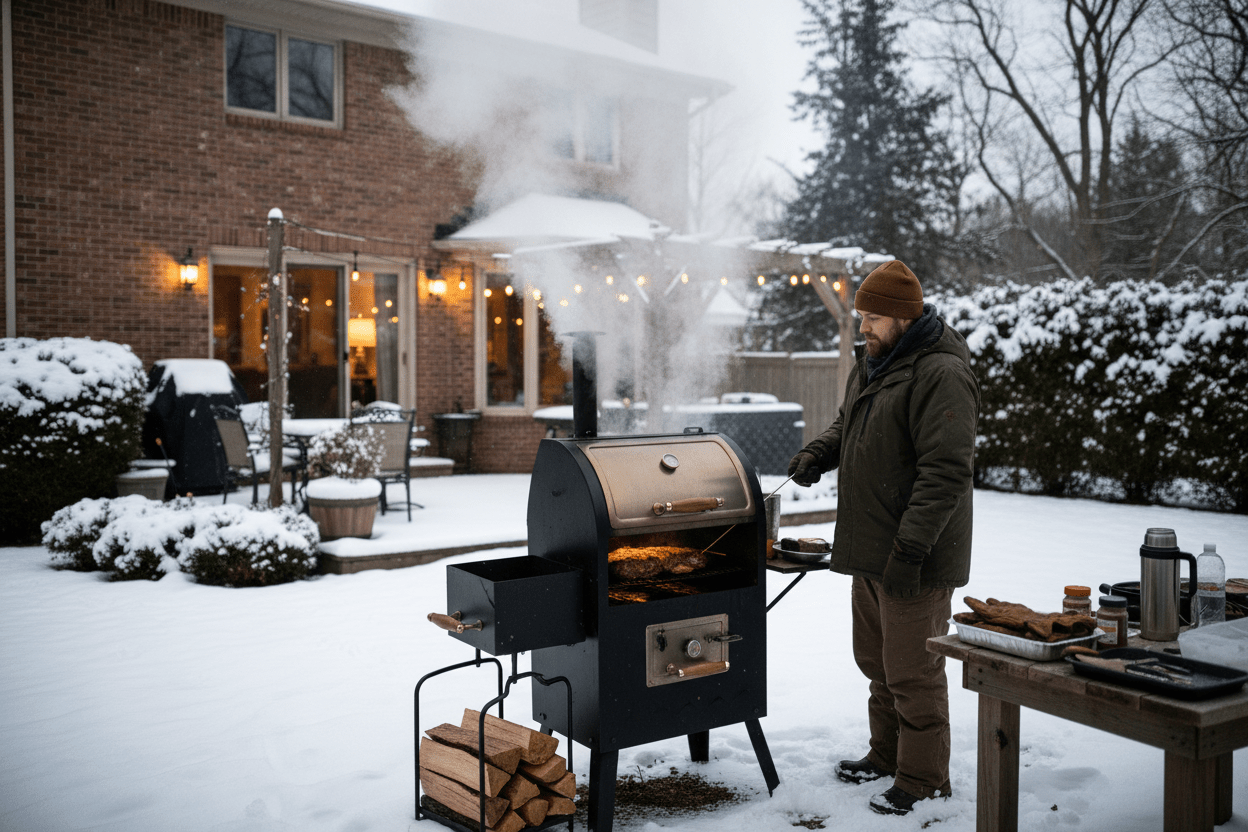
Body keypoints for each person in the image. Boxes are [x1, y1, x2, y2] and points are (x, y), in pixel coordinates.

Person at [787, 259, 979, 816]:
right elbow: (848, 423)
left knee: (913, 672)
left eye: (872, 318)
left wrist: (910, 551)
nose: (862, 327)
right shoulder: (874, 362)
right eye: (861, 316)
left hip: (913, 556)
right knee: (877, 662)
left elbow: (946, 473)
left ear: (901, 316)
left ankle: (923, 780)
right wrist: (818, 454)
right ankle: (887, 754)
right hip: (872, 549)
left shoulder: (940, 373)